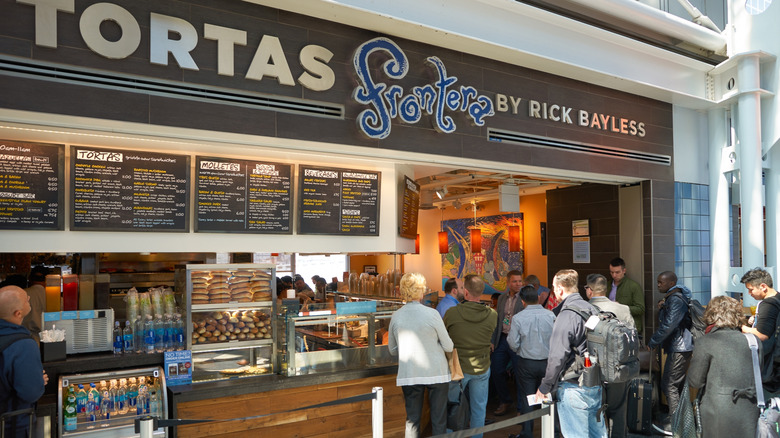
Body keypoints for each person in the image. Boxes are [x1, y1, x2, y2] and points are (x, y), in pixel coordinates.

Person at [536, 269, 607, 438]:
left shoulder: (567, 315)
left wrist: (545, 386)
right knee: (598, 434)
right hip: (595, 383)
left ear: (560, 289)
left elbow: (556, 356)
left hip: (573, 386)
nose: (554, 291)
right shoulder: (591, 308)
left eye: (554, 287)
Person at [388, 273, 454, 437]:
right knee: (439, 420)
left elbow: (392, 350)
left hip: (410, 373)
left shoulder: (396, 316)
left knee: (412, 421)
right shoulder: (432, 314)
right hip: (437, 372)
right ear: (422, 291)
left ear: (403, 291)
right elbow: (448, 345)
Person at [688, 296, 759, 437]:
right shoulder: (754, 342)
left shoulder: (705, 342)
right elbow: (758, 373)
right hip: (749, 410)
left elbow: (695, 381)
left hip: (716, 412)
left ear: (711, 315)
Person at [443, 274, 497, 438]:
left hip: (457, 368)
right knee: (479, 409)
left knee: (452, 406)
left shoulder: (452, 313)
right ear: (481, 292)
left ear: (465, 292)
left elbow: (445, 338)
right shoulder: (492, 315)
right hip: (481, 366)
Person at [585, 273, 635, 438]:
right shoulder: (623, 309)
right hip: (618, 368)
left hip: (592, 370)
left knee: (594, 410)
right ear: (605, 289)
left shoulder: (584, 310)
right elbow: (632, 336)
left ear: (589, 291)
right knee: (619, 409)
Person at [646, 271, 693, 431]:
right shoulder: (672, 297)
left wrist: (653, 340)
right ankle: (680, 421)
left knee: (670, 385)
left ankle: (676, 424)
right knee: (674, 384)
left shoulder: (675, 299)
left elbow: (669, 325)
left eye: (661, 282)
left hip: (680, 347)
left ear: (672, 282)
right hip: (680, 346)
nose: (658, 285)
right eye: (658, 282)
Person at [506, 285, 555, 438]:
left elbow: (513, 343)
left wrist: (521, 350)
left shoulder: (518, 318)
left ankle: (527, 433)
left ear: (522, 301)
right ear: (538, 298)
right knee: (548, 398)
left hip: (526, 363)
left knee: (528, 398)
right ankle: (551, 432)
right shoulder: (551, 315)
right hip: (547, 363)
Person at [1, 286, 48, 438]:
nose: (29, 299)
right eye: (26, 299)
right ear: (18, 313)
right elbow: (31, 393)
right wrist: (39, 381)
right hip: (11, 425)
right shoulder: (23, 345)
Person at [490, 269, 525, 416]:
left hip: (518, 341)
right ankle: (505, 401)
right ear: (508, 282)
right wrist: (493, 340)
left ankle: (521, 408)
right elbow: (501, 319)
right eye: (515, 281)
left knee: (519, 374)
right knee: (496, 370)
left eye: (519, 281)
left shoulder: (524, 298)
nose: (518, 284)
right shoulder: (503, 298)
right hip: (503, 339)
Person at [740, 267, 780, 398]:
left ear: (763, 286)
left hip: (771, 364)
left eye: (751, 289)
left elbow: (762, 334)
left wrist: (743, 328)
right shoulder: (778, 298)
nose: (749, 293)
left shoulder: (767, 304)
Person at [608, 257, 645, 335]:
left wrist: (621, 307)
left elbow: (640, 309)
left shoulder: (633, 286)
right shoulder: (607, 285)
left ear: (624, 271)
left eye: (617, 272)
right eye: (611, 272)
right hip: (610, 327)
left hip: (628, 328)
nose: (614, 275)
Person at [24, 266, 48, 343]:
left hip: (28, 341)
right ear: (46, 280)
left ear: (30, 279)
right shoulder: (56, 297)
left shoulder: (21, 295)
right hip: (51, 340)